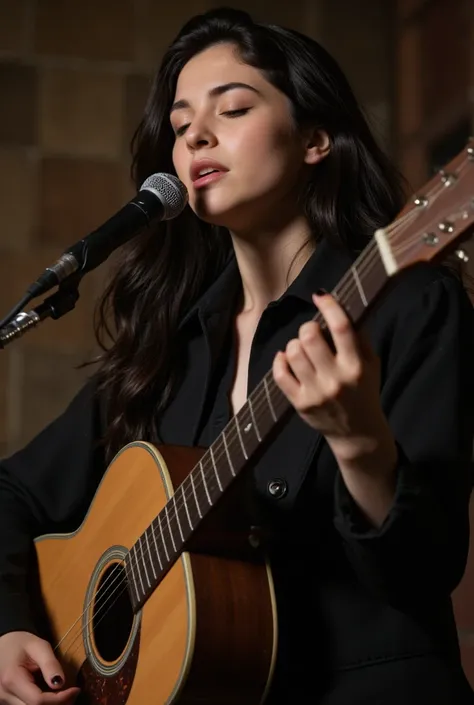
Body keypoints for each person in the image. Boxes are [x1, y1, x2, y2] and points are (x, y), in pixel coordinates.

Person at [0, 6, 473, 704]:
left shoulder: (409, 305)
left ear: (315, 139)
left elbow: (425, 569)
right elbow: (10, 492)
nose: (194, 132)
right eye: (181, 119)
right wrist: (7, 627)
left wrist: (360, 442)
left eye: (233, 107)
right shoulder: (166, 350)